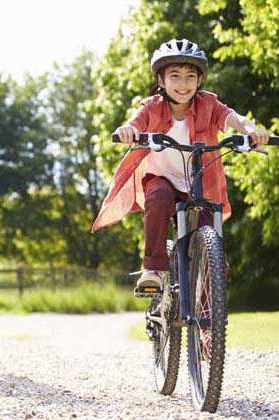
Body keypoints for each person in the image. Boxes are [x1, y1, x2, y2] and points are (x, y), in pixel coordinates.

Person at [91, 39, 268, 295]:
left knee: (210, 246)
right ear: (161, 81)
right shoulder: (152, 107)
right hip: (162, 179)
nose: (183, 84)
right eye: (174, 76)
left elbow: (232, 117)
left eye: (190, 77)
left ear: (199, 81)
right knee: (158, 196)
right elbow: (135, 123)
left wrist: (250, 129)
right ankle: (153, 269)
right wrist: (129, 130)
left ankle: (209, 318)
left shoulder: (209, 104)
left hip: (199, 185)